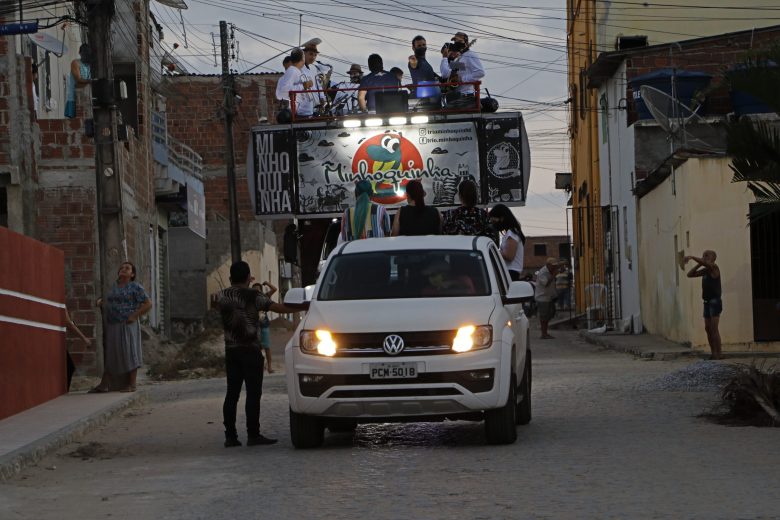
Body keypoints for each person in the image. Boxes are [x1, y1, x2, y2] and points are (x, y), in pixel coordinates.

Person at [217, 261, 305, 447]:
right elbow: (278, 308)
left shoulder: (221, 296)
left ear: (231, 278)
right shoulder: (254, 296)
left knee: (232, 394)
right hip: (250, 350)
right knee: (253, 393)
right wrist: (304, 307)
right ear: (249, 278)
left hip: (231, 351)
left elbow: (213, 306)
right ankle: (253, 434)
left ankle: (230, 436)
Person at [90, 262, 152, 393]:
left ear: (132, 274)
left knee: (129, 352)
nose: (123, 270)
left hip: (127, 324)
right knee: (112, 354)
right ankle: (105, 384)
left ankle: (132, 384)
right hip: (113, 324)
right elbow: (110, 301)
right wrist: (101, 302)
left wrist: (134, 316)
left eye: (127, 268)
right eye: (121, 268)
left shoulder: (135, 287)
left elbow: (148, 304)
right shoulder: (114, 287)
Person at [685, 250, 723, 360]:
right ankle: (713, 353)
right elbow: (690, 274)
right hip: (706, 302)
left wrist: (692, 256)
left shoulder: (714, 268)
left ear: (713, 258)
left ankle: (719, 353)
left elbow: (708, 265)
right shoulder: (706, 271)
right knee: (708, 328)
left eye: (707, 255)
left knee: (714, 328)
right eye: (703, 255)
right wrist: (698, 263)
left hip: (714, 302)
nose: (704, 257)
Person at [441, 179, 498, 244]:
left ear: (460, 196)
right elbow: (491, 240)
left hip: (455, 252)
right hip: (478, 252)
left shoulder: (450, 215)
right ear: (476, 196)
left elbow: (443, 239)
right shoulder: (483, 215)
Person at [440, 32, 484, 98]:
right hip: (457, 96)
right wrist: (445, 58)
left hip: (466, 95)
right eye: (455, 40)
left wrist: (462, 79)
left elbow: (480, 72)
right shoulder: (460, 58)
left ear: (465, 42)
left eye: (459, 41)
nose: (456, 42)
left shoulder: (470, 55)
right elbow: (445, 73)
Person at [488, 204, 526, 281]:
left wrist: (493, 251)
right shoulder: (511, 233)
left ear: (501, 218)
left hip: (511, 273)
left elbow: (509, 256)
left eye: (494, 221)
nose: (493, 224)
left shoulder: (511, 233)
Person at [275, 49, 315, 118]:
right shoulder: (292, 71)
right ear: (303, 59)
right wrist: (303, 86)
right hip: (300, 114)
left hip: (307, 113)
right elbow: (283, 92)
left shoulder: (300, 72)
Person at [251, 281, 277, 373]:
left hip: (264, 325)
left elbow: (274, 289)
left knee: (266, 346)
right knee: (255, 348)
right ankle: (257, 367)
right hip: (254, 327)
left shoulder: (264, 297)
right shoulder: (249, 300)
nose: (256, 292)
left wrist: (267, 283)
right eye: (254, 290)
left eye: (258, 290)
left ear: (261, 291)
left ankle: (269, 367)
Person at [64, 307, 91, 391]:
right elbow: (68, 323)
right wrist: (84, 339)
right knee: (69, 367)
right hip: (55, 342)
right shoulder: (60, 303)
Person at [534, 258, 561, 340]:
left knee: (550, 314)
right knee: (544, 316)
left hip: (548, 297)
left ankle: (545, 332)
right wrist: (553, 275)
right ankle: (544, 334)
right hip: (542, 297)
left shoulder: (550, 271)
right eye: (553, 266)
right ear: (548, 265)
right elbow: (546, 283)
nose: (554, 268)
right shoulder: (543, 273)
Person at [65, 44, 91, 119]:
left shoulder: (89, 65)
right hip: (74, 98)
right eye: (84, 53)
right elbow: (78, 79)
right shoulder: (75, 63)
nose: (86, 55)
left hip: (86, 98)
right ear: (80, 53)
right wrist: (90, 81)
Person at [302, 42, 327, 113]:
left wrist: (322, 98)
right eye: (310, 54)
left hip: (315, 105)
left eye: (315, 55)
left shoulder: (313, 69)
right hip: (304, 105)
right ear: (304, 53)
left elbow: (318, 85)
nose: (313, 57)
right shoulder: (298, 68)